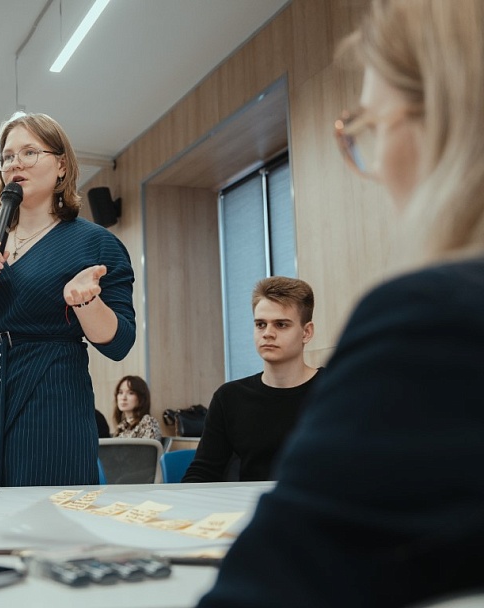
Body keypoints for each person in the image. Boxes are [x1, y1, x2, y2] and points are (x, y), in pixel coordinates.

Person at [196, 1, 484, 606]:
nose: (373, 169)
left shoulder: (431, 322)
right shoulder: (231, 399)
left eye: (369, 131)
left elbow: (269, 585)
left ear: (440, 124)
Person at [0, 113, 136, 487]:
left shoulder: (95, 243)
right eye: (7, 157)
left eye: (28, 152)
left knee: (45, 518)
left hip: (53, 396)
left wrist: (87, 303)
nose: (15, 163)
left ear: (61, 165)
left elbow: (120, 343)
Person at [182, 277, 323, 483]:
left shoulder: (336, 392)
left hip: (319, 510)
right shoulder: (229, 398)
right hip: (249, 510)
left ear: (306, 332)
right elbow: (202, 473)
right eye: (260, 324)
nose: (267, 333)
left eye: (281, 325)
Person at [112, 376, 162, 441]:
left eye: (131, 393)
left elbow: (148, 450)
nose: (123, 398)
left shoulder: (148, 422)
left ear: (141, 398)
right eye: (120, 392)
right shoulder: (122, 426)